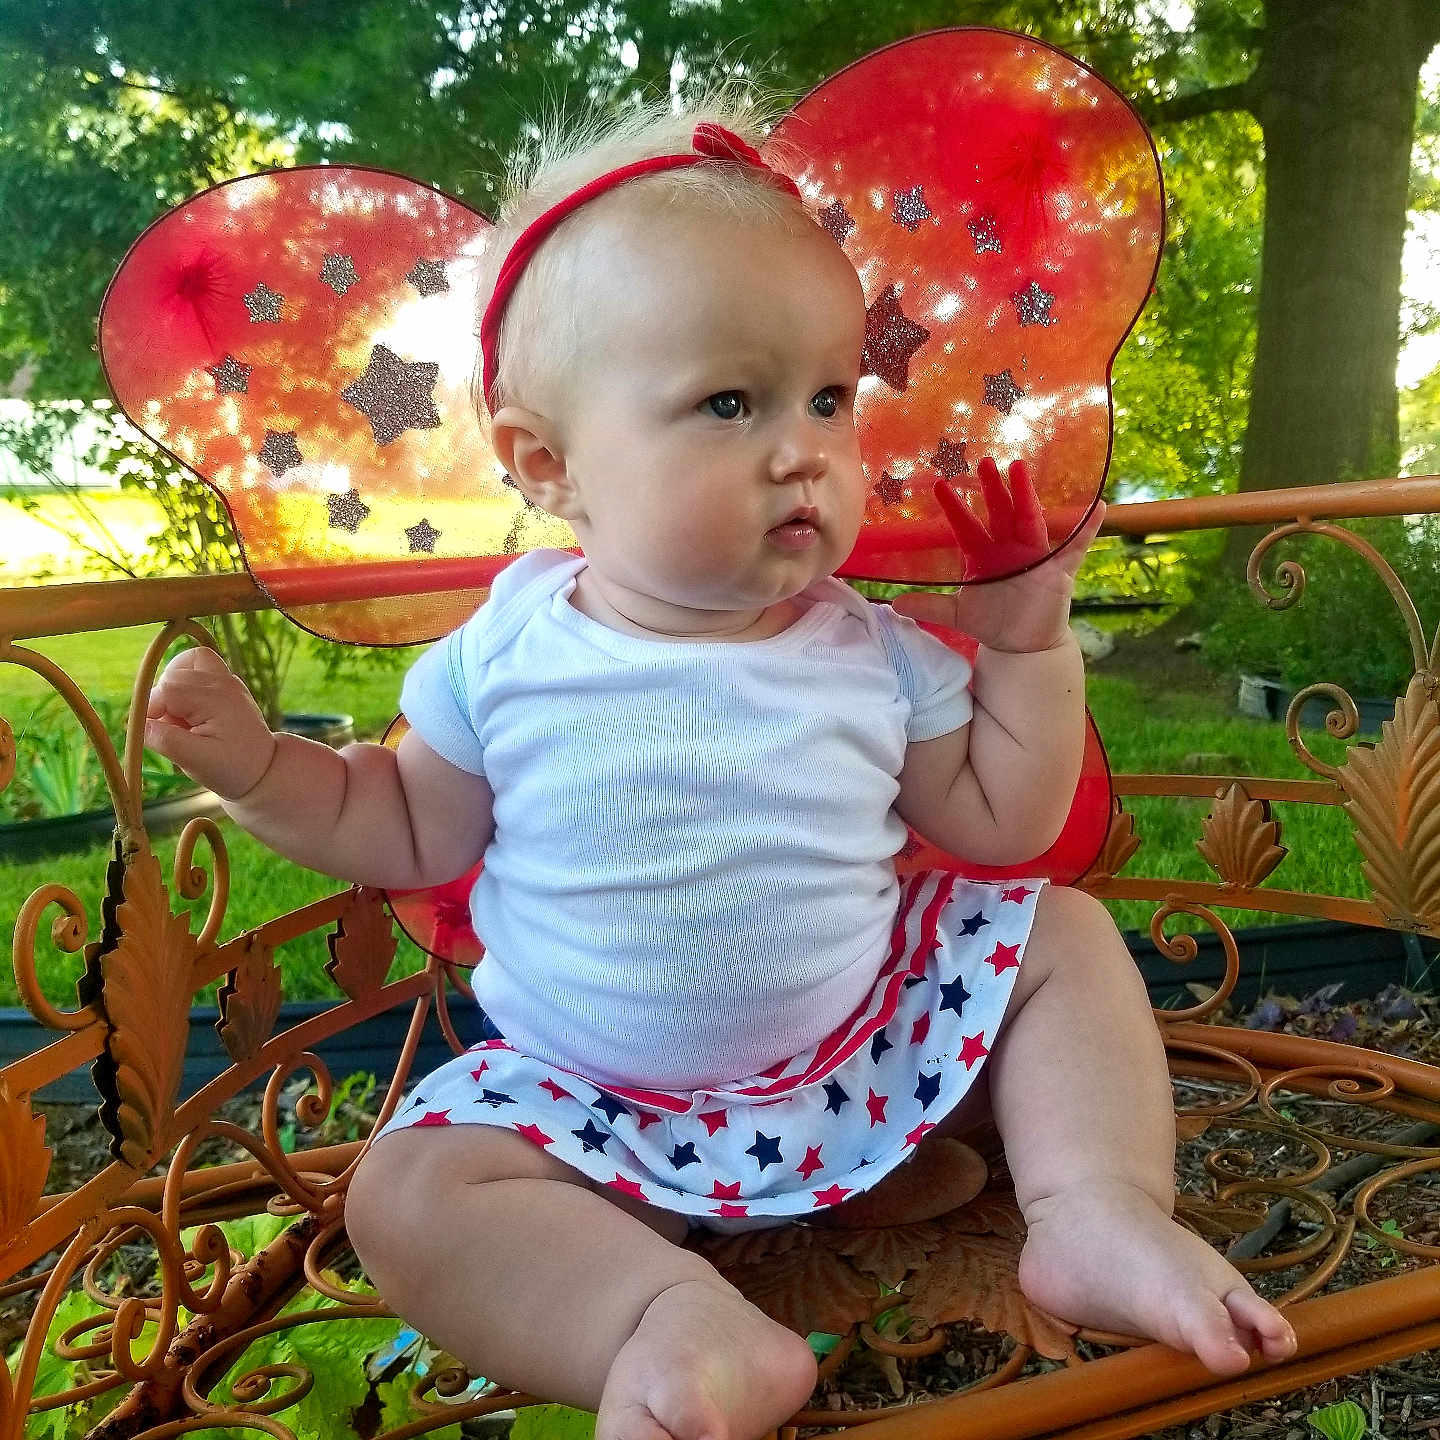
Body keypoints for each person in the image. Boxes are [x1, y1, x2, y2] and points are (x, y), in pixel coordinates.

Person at [145, 99, 1296, 1440]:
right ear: (547, 462)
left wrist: (1030, 656)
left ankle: (1095, 1210)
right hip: (594, 1113)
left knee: (1066, 937)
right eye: (730, 403)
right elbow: (403, 826)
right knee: (406, 1193)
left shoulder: (867, 648)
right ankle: (661, 1321)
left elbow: (1002, 825)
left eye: (827, 397)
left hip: (862, 1058)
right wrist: (261, 772)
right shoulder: (507, 646)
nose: (803, 445)